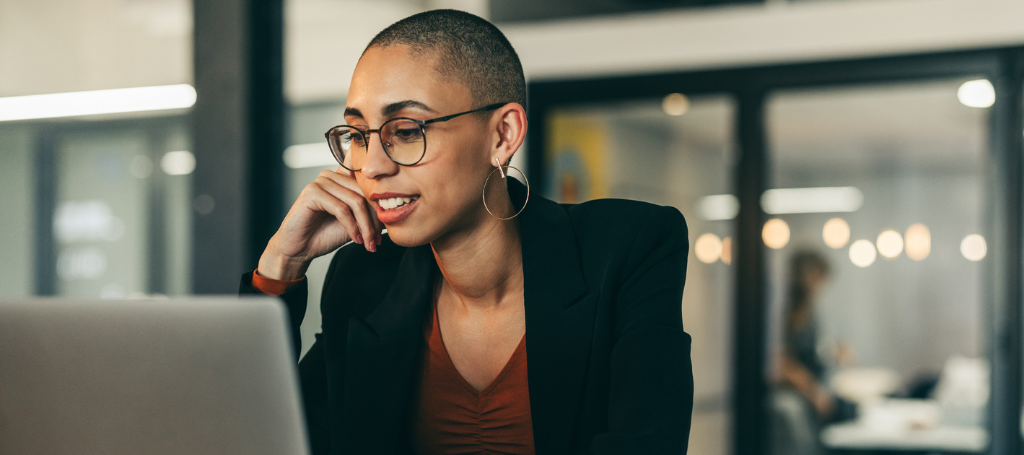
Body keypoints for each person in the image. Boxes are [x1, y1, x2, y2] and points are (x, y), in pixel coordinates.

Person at [240, 9, 693, 455]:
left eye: (406, 129)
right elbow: (256, 436)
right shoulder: (366, 277)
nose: (372, 166)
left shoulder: (628, 247)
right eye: (359, 134)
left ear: (503, 134)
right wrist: (282, 264)